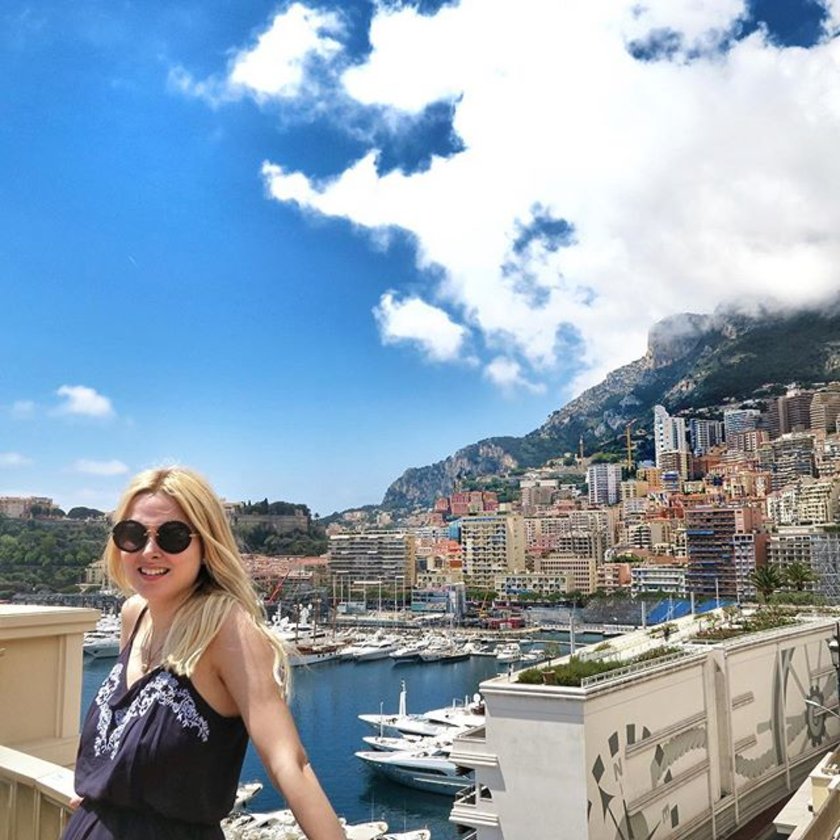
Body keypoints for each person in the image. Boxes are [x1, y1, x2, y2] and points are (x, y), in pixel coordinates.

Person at [62, 466, 346, 840]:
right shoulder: (134, 615)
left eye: (173, 536)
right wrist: (106, 796)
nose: (149, 551)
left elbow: (289, 763)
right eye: (132, 534)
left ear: (206, 544)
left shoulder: (228, 630)